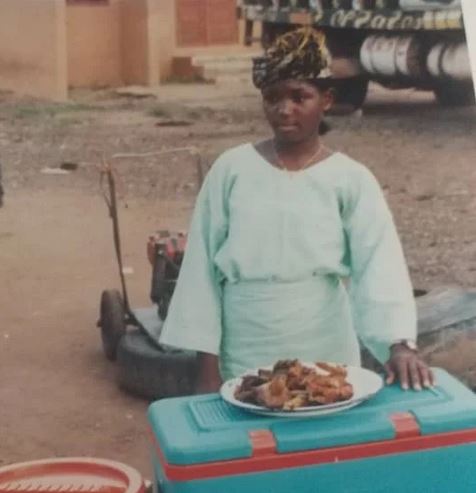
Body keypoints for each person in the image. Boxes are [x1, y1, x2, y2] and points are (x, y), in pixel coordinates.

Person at [159, 27, 433, 394]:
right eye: (272, 97)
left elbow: (379, 264)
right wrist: (208, 372)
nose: (284, 109)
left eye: (299, 96)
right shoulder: (231, 170)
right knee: (252, 423)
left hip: (325, 350)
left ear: (326, 99)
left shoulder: (351, 179)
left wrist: (399, 344)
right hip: (245, 349)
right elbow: (201, 271)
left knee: (324, 420)